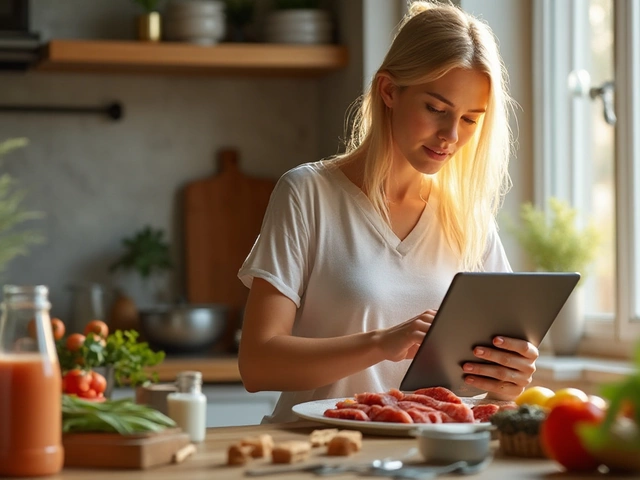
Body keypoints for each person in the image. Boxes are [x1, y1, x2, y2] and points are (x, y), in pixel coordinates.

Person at [237, 0, 538, 424]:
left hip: (426, 459)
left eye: (471, 119)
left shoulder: (467, 219)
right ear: (390, 91)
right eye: (436, 109)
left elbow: (488, 376)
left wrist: (509, 375)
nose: (451, 136)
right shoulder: (307, 193)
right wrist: (381, 342)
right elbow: (257, 364)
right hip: (319, 454)